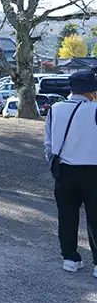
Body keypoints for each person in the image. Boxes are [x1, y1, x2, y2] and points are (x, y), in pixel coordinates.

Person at [43, 70, 97, 278]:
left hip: (64, 171)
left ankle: (70, 258)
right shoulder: (94, 109)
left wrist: (53, 164)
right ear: (91, 90)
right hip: (92, 170)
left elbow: (48, 143)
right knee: (95, 219)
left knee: (66, 216)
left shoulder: (55, 109)